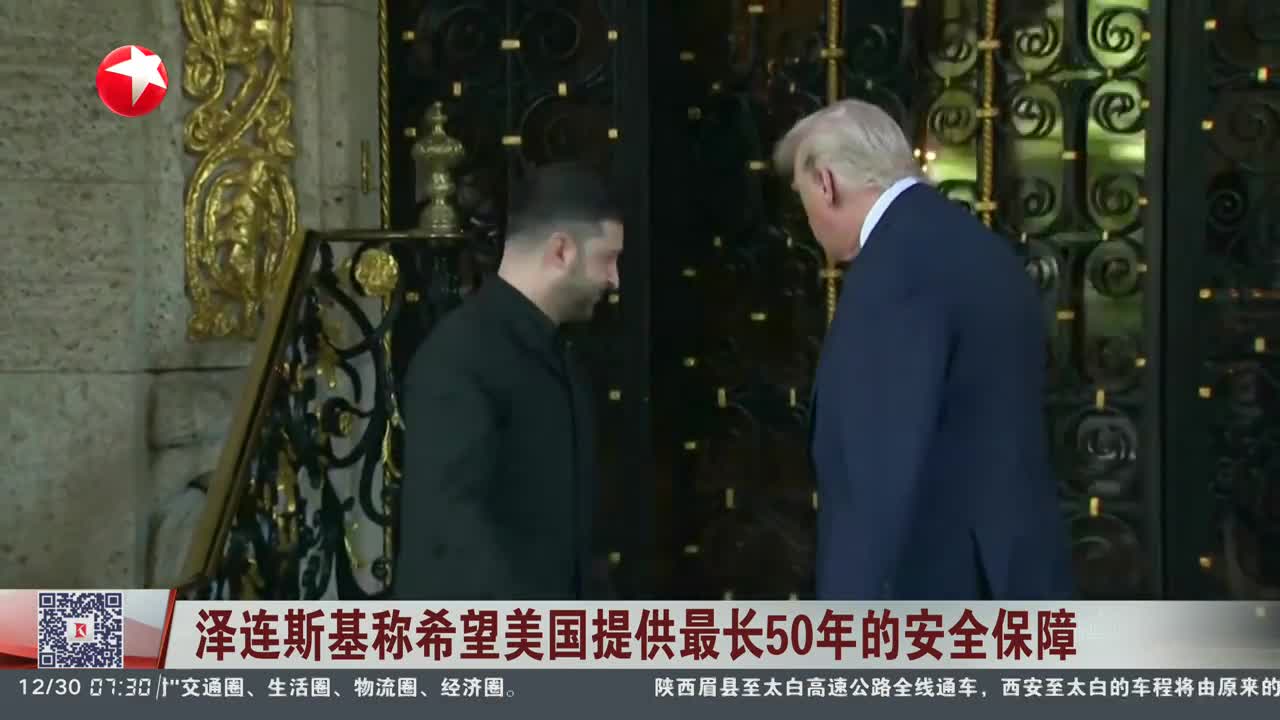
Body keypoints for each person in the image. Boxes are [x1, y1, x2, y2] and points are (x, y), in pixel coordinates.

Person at [773, 99, 1075, 600]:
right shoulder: (972, 243)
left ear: (826, 184)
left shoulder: (895, 270)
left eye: (802, 199)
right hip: (1006, 571)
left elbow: (880, 465)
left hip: (934, 586)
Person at [393, 162, 623, 600]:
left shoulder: (559, 357)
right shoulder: (460, 355)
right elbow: (452, 539)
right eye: (607, 259)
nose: (613, 279)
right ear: (561, 251)